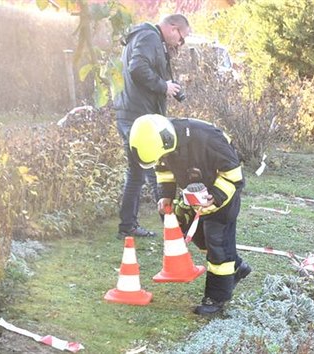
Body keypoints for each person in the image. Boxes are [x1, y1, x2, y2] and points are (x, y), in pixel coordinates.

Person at [129, 114, 251, 315]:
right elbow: (164, 170)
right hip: (195, 196)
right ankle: (238, 268)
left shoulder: (209, 138)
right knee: (198, 237)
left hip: (223, 195)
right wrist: (166, 195)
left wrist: (216, 197)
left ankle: (216, 299)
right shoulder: (162, 143)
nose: (160, 160)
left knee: (217, 241)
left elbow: (234, 176)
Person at [113, 14, 191, 238]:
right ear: (173, 28)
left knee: (138, 172)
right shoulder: (149, 37)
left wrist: (167, 85)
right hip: (137, 116)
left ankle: (129, 226)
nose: (180, 43)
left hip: (134, 113)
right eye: (181, 38)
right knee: (153, 168)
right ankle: (169, 224)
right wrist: (162, 86)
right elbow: (137, 68)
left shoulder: (147, 37)